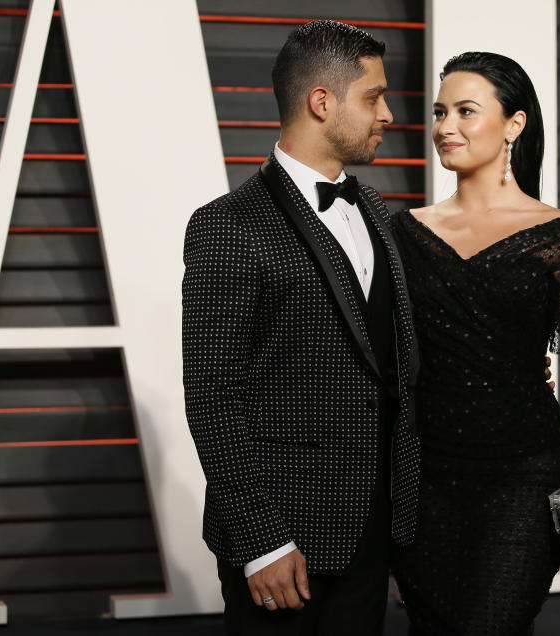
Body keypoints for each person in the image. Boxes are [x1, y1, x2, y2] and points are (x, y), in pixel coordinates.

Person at [182, 20, 421, 635]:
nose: (388, 113)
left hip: (371, 531)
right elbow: (212, 395)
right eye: (373, 96)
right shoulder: (226, 225)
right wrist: (261, 538)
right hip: (282, 542)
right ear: (322, 101)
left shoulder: (373, 207)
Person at [388, 52, 560, 635]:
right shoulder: (401, 234)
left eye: (466, 112)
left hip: (524, 478)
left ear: (514, 125)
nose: (446, 127)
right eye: (440, 111)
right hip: (423, 480)